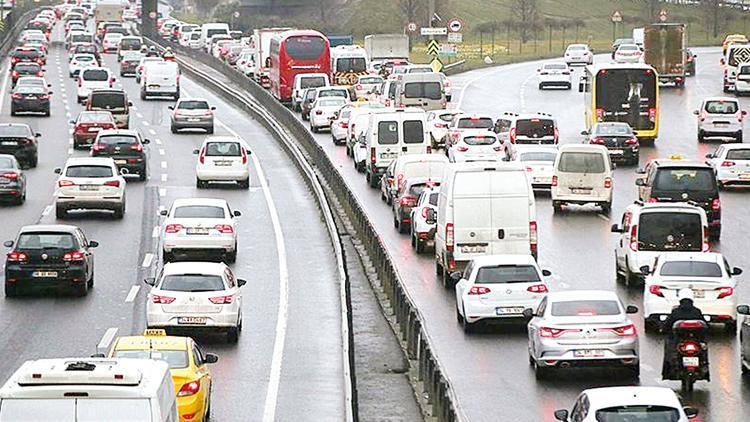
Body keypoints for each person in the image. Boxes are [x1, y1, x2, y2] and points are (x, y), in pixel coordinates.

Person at [661, 288, 706, 378]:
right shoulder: (697, 311)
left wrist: (662, 328)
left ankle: (668, 370)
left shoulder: (676, 312)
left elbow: (667, 325)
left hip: (679, 341)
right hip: (695, 340)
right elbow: (705, 326)